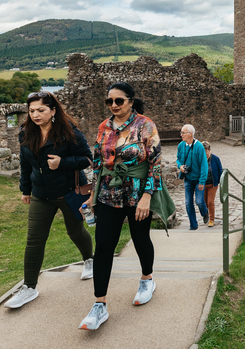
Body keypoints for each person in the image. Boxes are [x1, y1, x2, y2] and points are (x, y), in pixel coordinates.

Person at [79, 82, 164, 330]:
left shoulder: (145, 125)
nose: (114, 105)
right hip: (108, 192)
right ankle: (99, 304)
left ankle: (147, 278)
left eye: (119, 101)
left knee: (140, 238)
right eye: (110, 101)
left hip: (137, 192)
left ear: (131, 101)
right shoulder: (104, 127)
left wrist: (148, 195)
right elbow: (97, 162)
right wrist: (92, 194)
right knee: (104, 245)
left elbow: (156, 163)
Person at [5, 91, 94, 309]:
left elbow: (87, 159)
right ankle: (29, 287)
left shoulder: (69, 132)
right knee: (34, 240)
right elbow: (25, 164)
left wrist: (62, 162)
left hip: (68, 192)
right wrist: (25, 190)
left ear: (53, 111)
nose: (35, 115)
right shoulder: (26, 133)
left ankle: (90, 259)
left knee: (75, 231)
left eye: (41, 110)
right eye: (32, 110)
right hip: (40, 194)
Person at [177, 124, 209, 230]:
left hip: (198, 180)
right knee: (188, 203)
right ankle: (193, 225)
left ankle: (205, 212)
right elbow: (178, 159)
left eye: (183, 132)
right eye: (181, 132)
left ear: (190, 134)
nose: (181, 135)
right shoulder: (181, 145)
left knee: (199, 201)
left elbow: (204, 165)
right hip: (188, 179)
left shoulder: (199, 147)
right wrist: (180, 166)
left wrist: (202, 181)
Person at [201, 141, 223, 228]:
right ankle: (206, 215)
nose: (205, 153)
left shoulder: (216, 159)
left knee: (210, 202)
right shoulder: (200, 159)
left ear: (209, 150)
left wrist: (220, 181)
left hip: (213, 184)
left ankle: (211, 219)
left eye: (206, 151)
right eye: (203, 151)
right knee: (204, 203)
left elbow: (220, 171)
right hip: (202, 185)